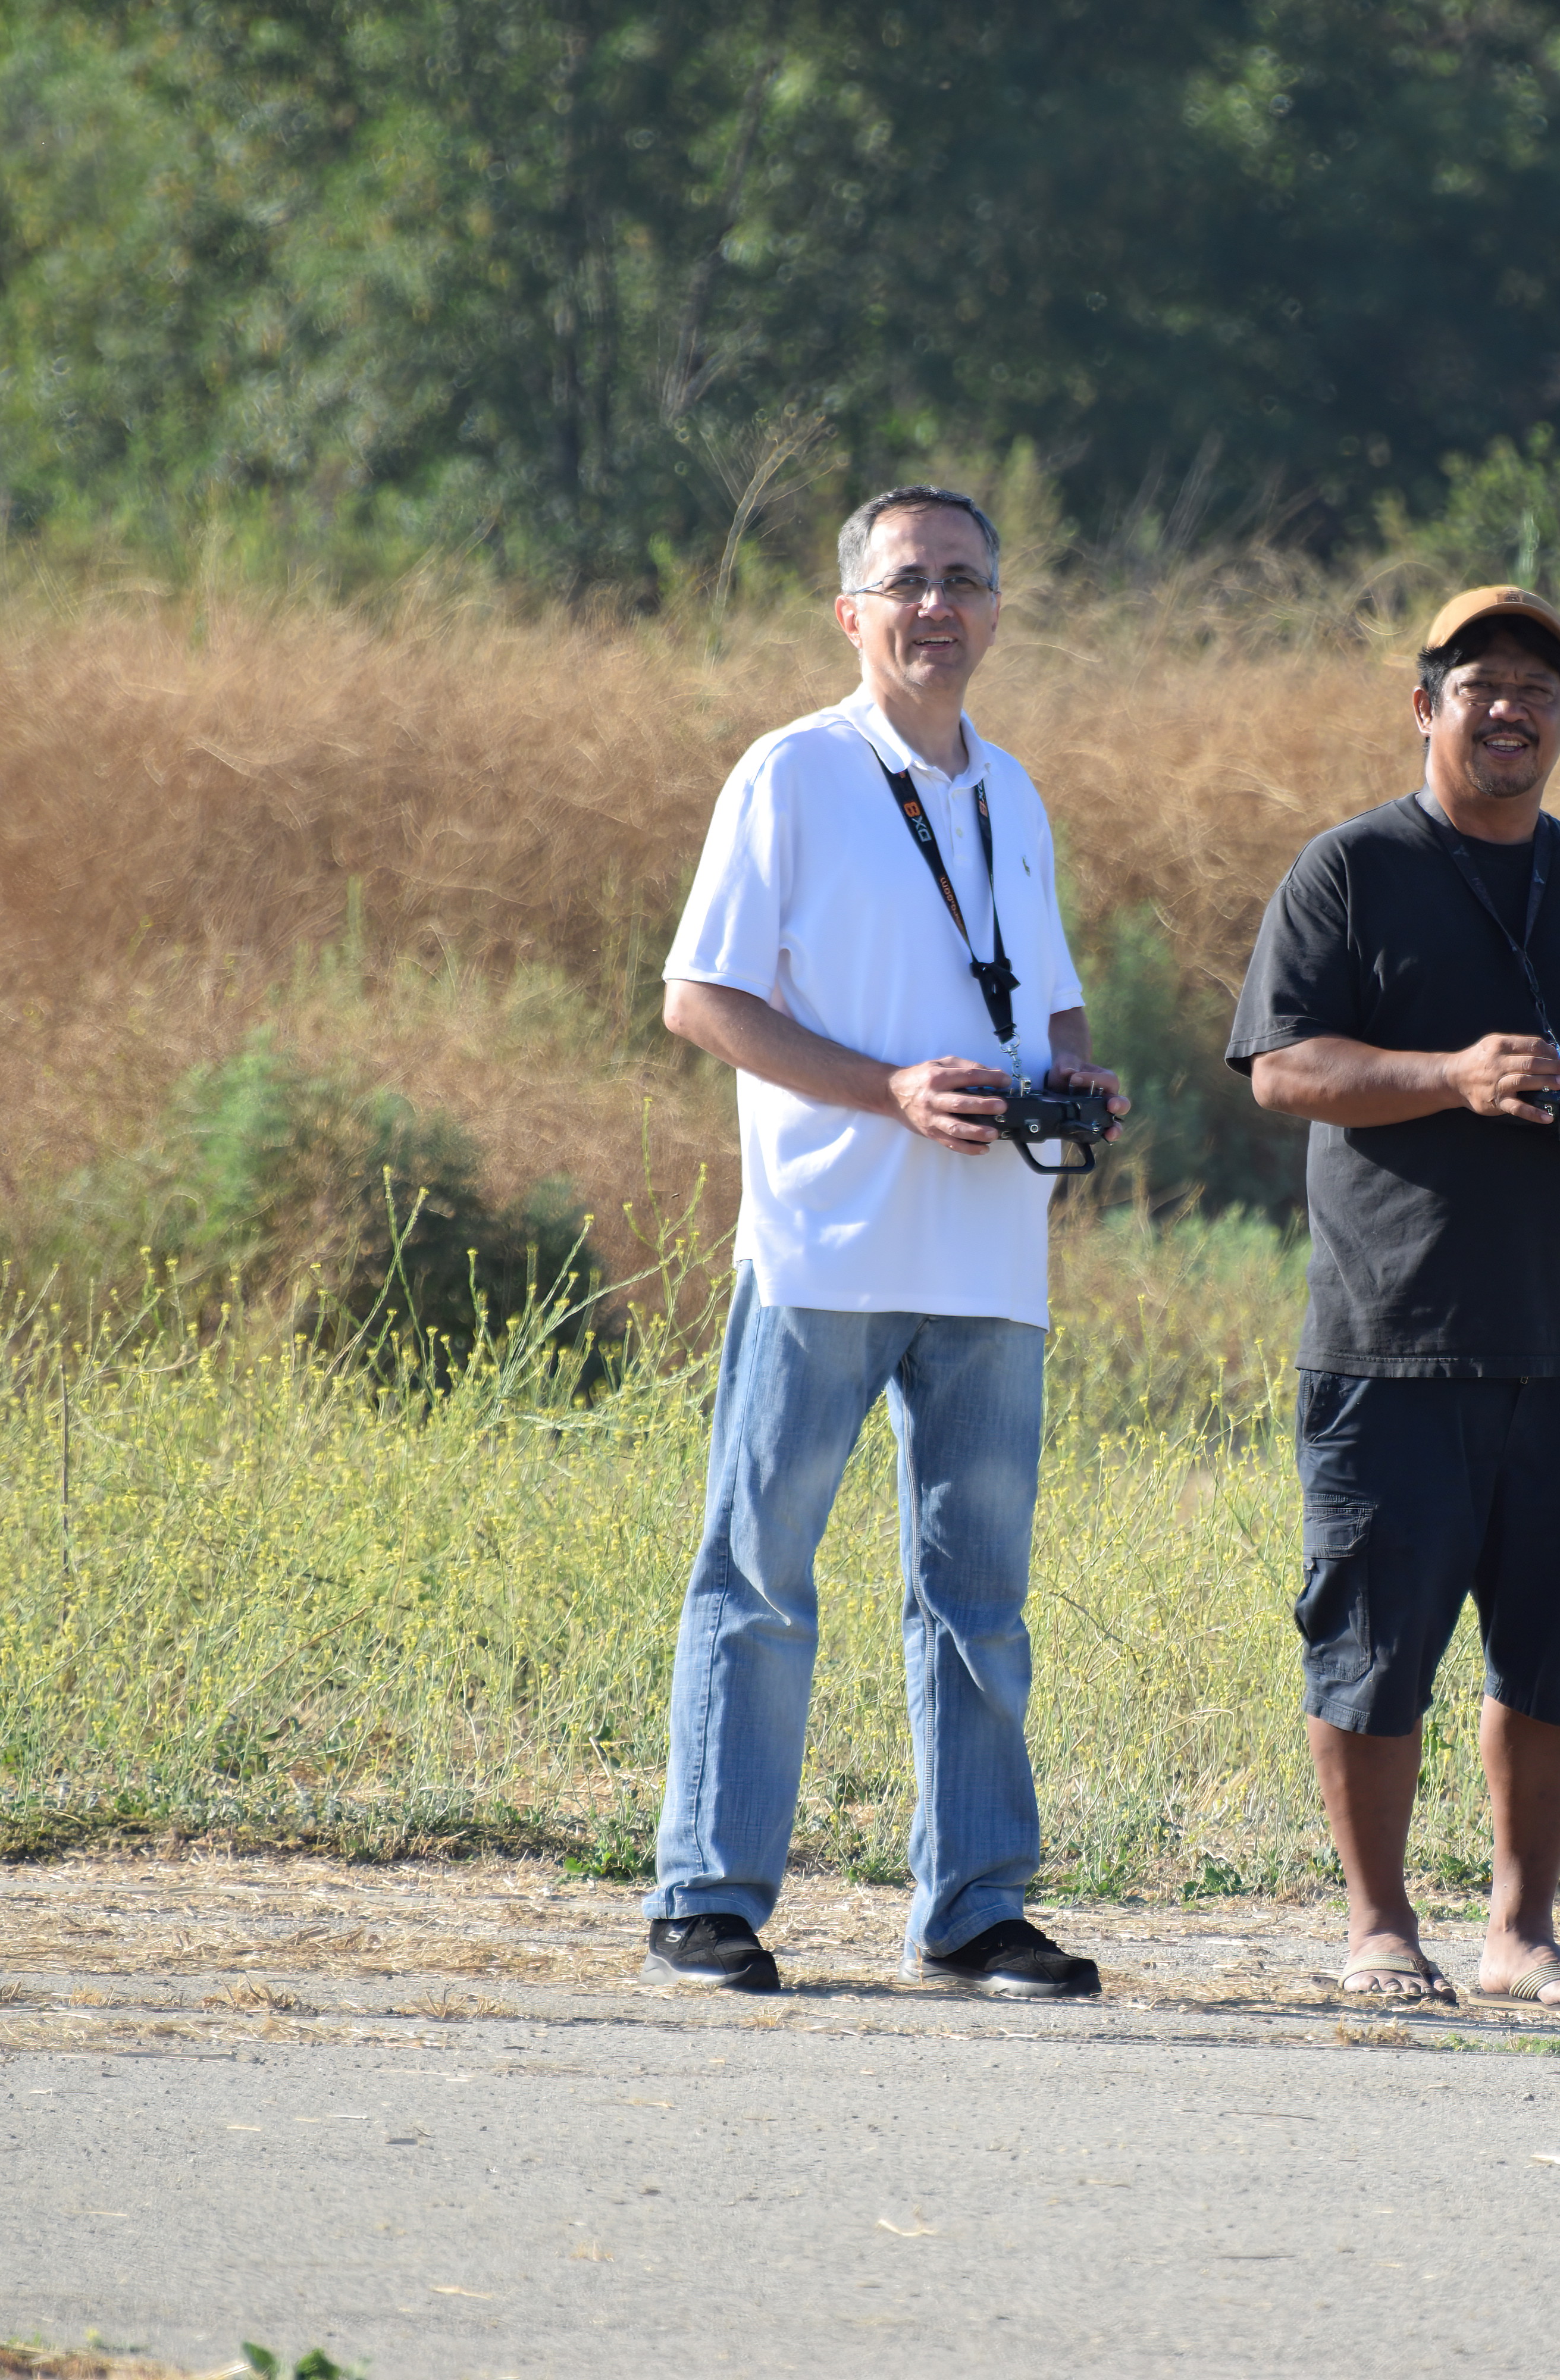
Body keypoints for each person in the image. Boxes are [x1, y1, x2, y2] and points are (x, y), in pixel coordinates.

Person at [643, 484, 1126, 2000]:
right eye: (907, 581)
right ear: (850, 611)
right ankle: (705, 1900)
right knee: (761, 1573)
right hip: (826, 1246)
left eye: (967, 582)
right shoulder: (793, 773)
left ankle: (973, 1909)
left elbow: (1044, 998)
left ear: (998, 611)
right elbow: (701, 997)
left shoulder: (1014, 792)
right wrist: (888, 1092)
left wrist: (1074, 1085)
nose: (939, 608)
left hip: (989, 1251)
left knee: (978, 1598)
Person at [1226, 585, 1560, 2013]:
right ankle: (1380, 1924)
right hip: (1397, 1340)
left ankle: (1522, 1931)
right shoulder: (1349, 872)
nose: (1511, 710)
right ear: (1425, 705)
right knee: (1375, 1645)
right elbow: (1282, 1069)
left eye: (1539, 692)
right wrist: (1454, 1075)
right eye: (1482, 684)